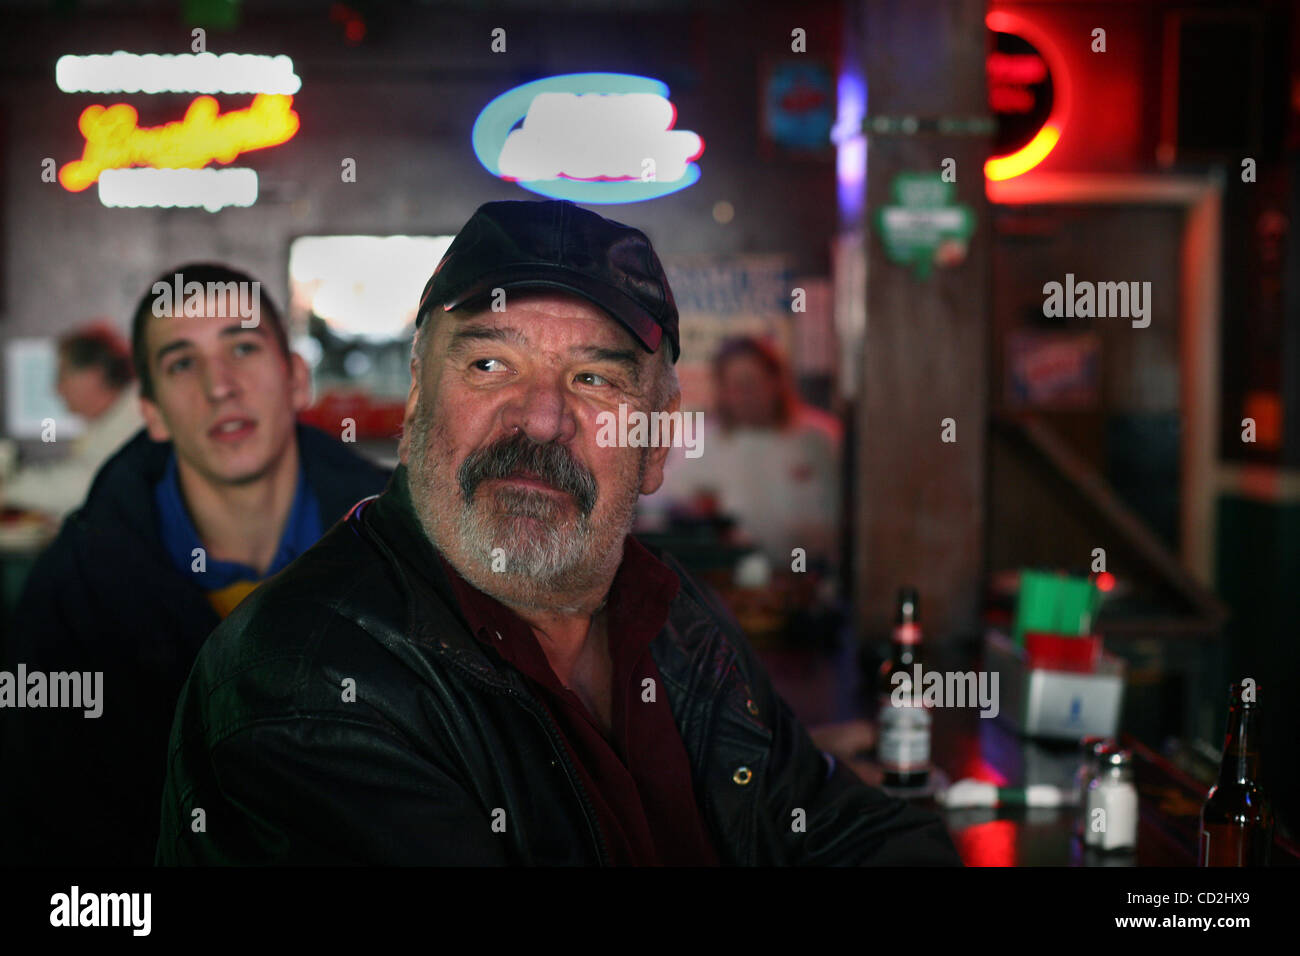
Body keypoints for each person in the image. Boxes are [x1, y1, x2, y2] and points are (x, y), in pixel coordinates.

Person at [157, 201, 960, 866]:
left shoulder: (675, 619)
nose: (541, 419)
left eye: (594, 379)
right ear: (413, 403)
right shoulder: (304, 680)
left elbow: (866, 840)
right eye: (489, 367)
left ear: (655, 443)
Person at [0, 264, 391, 865]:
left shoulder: (398, 554)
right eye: (183, 362)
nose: (220, 386)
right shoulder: (77, 587)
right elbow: (50, 828)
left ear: (295, 379)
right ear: (150, 412)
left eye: (242, 347)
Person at [650, 335, 843, 572]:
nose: (743, 395)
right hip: (727, 583)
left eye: (751, 383)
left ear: (775, 382)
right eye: (733, 386)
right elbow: (667, 501)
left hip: (808, 580)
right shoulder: (701, 442)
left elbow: (844, 518)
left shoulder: (819, 438)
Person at [0, 323, 142, 519]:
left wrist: (8, 490)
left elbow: (87, 486)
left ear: (93, 374)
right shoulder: (115, 419)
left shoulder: (138, 416)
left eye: (62, 374)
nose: (56, 388)